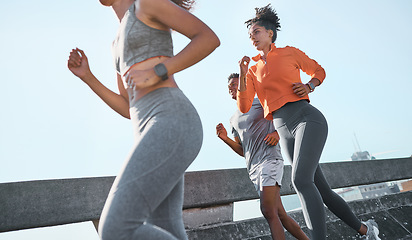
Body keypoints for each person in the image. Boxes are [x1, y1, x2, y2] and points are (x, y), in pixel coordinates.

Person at [67, 0, 219, 239]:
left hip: (172, 119)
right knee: (167, 226)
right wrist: (88, 77)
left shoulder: (146, 4)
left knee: (116, 229)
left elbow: (208, 38)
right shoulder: (116, 41)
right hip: (149, 130)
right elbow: (128, 107)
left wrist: (159, 70)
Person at [236, 4, 380, 240]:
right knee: (320, 188)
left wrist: (309, 85)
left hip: (307, 119)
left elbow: (318, 70)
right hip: (284, 130)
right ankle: (367, 230)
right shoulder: (252, 70)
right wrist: (242, 74)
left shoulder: (289, 53)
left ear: (270, 33)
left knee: (301, 179)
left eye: (256, 32)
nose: (252, 37)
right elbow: (243, 107)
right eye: (250, 35)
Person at [216, 73, 309, 240]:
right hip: (253, 169)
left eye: (234, 83)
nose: (230, 87)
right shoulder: (233, 120)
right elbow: (243, 150)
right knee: (280, 214)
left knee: (267, 210)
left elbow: (287, 118)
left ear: (244, 84)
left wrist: (277, 133)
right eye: (228, 86)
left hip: (270, 160)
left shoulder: (260, 101)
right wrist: (225, 139)